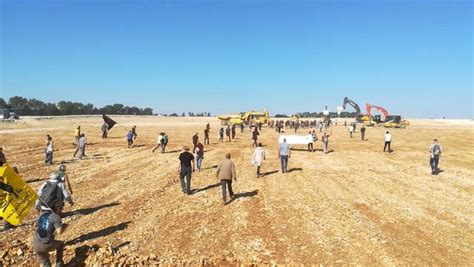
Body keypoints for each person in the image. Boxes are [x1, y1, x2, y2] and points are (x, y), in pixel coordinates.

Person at [32, 199, 67, 267]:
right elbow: (59, 232)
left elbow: (35, 226)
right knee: (60, 245)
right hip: (46, 243)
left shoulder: (41, 215)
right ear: (59, 209)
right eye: (61, 209)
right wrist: (64, 226)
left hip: (35, 244)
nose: (62, 211)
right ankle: (59, 264)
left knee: (46, 264)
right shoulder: (56, 217)